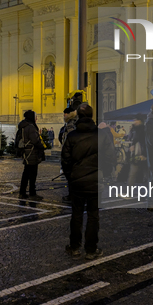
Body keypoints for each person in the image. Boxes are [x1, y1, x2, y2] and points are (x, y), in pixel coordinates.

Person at [62, 103, 115, 260]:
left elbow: (65, 160)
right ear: (92, 116)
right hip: (96, 181)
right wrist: (103, 173)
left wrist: (70, 176)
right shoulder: (103, 135)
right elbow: (110, 158)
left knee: (76, 215)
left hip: (77, 182)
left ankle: (74, 247)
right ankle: (91, 249)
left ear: (78, 116)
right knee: (93, 216)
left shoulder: (72, 136)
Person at [16, 110, 45, 200]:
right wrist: (41, 146)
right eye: (35, 116)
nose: (36, 118)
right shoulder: (31, 127)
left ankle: (22, 192)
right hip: (32, 152)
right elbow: (35, 140)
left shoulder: (23, 126)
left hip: (26, 152)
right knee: (32, 174)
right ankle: (32, 193)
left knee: (26, 173)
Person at [125, 113, 147, 196]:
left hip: (142, 155)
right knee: (133, 174)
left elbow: (145, 143)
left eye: (136, 120)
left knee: (143, 174)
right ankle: (129, 192)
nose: (134, 121)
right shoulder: (135, 130)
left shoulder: (143, 130)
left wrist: (144, 155)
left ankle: (151, 193)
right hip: (137, 156)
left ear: (140, 121)